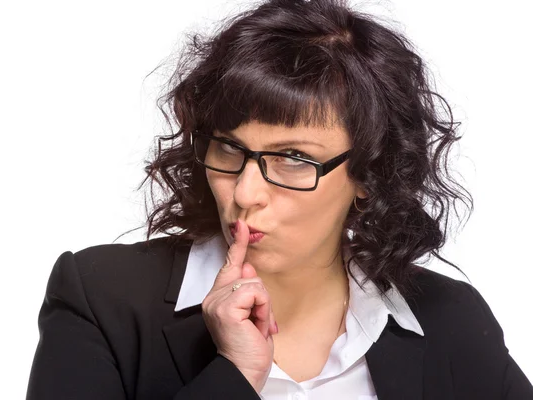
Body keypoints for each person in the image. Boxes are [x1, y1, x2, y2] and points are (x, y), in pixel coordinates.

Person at [26, 0, 533, 399]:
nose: (245, 194)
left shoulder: (449, 320)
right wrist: (235, 375)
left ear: (370, 172)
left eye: (292, 157)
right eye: (228, 147)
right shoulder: (102, 299)